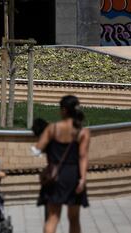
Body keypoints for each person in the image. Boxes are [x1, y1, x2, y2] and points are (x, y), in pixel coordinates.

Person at [31, 95, 90, 233]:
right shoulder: (83, 132)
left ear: (63, 110)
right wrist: (82, 179)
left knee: (53, 217)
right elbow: (83, 157)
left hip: (55, 175)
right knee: (74, 218)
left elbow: (37, 149)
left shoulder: (53, 128)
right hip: (74, 175)